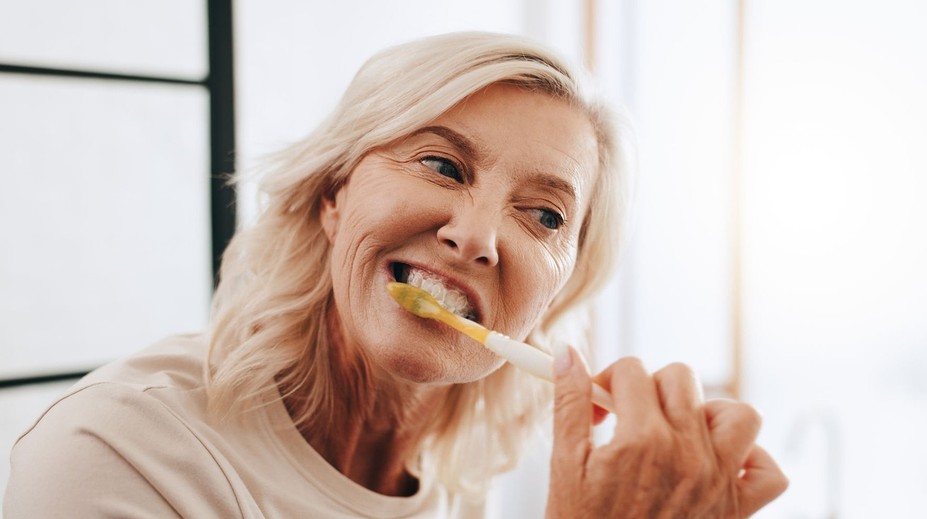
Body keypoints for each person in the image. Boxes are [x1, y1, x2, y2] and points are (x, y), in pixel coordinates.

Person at [4, 32, 787, 517]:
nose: (477, 235)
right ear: (332, 196)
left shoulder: (456, 485)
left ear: (560, 287)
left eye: (544, 215)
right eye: (442, 164)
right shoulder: (115, 453)